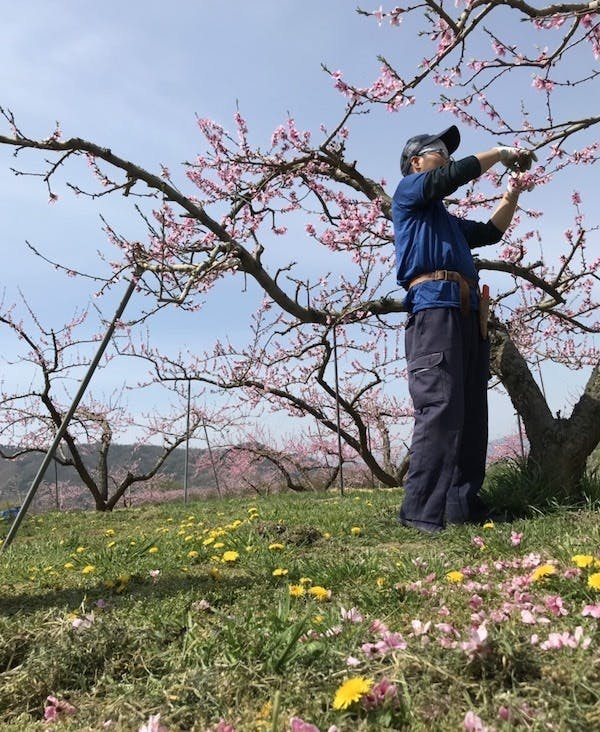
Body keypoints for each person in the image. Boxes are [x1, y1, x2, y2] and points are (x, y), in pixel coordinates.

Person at [392, 125, 536, 534]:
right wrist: (497, 153)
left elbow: (491, 233)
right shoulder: (409, 193)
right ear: (415, 163)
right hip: (434, 309)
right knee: (440, 405)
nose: (447, 156)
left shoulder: (447, 220)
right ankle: (419, 512)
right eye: (438, 150)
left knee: (472, 409)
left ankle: (461, 505)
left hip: (469, 312)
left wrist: (513, 193)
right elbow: (447, 179)